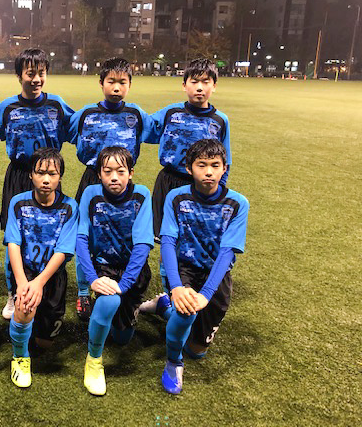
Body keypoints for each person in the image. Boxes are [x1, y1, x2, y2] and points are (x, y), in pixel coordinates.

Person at [156, 139, 249, 395]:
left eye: (215, 165)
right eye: (201, 165)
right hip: (185, 269)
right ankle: (173, 362)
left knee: (197, 350)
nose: (208, 172)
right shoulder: (176, 197)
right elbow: (168, 241)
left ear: (224, 168)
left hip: (216, 273)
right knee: (186, 311)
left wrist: (207, 294)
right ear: (189, 168)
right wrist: (176, 286)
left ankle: (164, 307)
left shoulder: (238, 203)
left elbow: (227, 251)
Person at [68, 57, 153, 321]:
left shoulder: (136, 115)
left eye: (122, 82)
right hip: (92, 180)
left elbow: (159, 130)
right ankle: (84, 290)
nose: (116, 87)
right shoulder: (86, 114)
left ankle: (122, 279)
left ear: (130, 84)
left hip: (123, 184)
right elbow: (65, 130)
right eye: (111, 81)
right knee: (86, 236)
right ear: (101, 83)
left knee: (121, 235)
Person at [0, 48, 74, 319]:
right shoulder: (7, 107)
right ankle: (14, 291)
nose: (36, 79)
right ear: (19, 75)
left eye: (41, 73)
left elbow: (76, 128)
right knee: (14, 237)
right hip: (18, 175)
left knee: (49, 232)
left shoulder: (57, 105)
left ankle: (46, 285)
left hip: (48, 176)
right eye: (30, 73)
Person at [76, 147, 154, 396]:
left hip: (133, 272)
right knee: (108, 302)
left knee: (122, 339)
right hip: (104, 267)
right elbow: (81, 238)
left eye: (120, 171)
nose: (114, 177)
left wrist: (124, 284)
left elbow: (143, 245)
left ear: (131, 173)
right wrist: (93, 279)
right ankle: (93, 361)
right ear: (99, 173)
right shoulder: (91, 193)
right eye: (107, 171)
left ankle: (157, 306)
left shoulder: (141, 195)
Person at [4, 148, 78, 388]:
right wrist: (22, 283)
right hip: (25, 271)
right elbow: (13, 244)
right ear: (31, 175)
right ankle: (20, 357)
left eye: (52, 174)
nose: (46, 179)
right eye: (40, 173)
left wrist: (40, 282)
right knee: (25, 304)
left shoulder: (70, 206)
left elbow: (64, 250)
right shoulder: (18, 202)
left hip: (52, 275)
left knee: (45, 343)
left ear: (60, 177)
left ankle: (31, 323)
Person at [146, 58, 232, 243]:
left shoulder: (220, 120)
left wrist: (218, 190)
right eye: (194, 82)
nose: (199, 87)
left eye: (205, 82)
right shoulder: (171, 113)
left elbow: (226, 160)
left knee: (192, 236)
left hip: (200, 185)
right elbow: (145, 130)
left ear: (214, 86)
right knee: (166, 237)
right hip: (168, 181)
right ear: (184, 85)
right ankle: (166, 263)